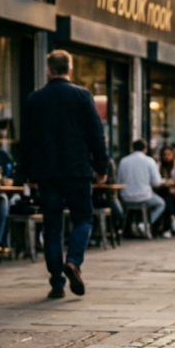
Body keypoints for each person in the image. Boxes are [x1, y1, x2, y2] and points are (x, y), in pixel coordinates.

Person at [23, 50, 108, 299]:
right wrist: (101, 168)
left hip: (47, 173)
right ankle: (73, 260)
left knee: (52, 227)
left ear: (48, 70)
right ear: (69, 70)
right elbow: (96, 135)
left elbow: (27, 138)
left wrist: (26, 171)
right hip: (77, 170)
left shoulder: (35, 99)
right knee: (83, 218)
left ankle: (56, 283)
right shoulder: (82, 96)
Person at [117, 139, 165, 238]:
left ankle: (132, 226)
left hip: (126, 197)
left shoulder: (123, 161)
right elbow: (157, 182)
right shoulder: (149, 161)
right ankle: (144, 223)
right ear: (145, 149)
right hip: (144, 196)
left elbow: (118, 182)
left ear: (132, 148)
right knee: (161, 203)